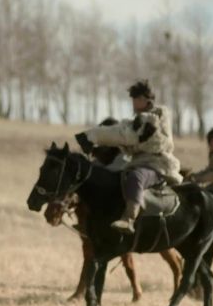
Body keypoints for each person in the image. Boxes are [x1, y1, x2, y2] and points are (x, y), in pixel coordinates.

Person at [75, 80, 182, 234]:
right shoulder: (138, 120)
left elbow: (125, 135)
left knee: (136, 177)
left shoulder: (154, 118)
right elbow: (121, 131)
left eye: (136, 99)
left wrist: (92, 136)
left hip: (158, 166)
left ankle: (129, 219)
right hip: (139, 163)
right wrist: (92, 138)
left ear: (145, 100)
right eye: (133, 99)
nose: (133, 103)